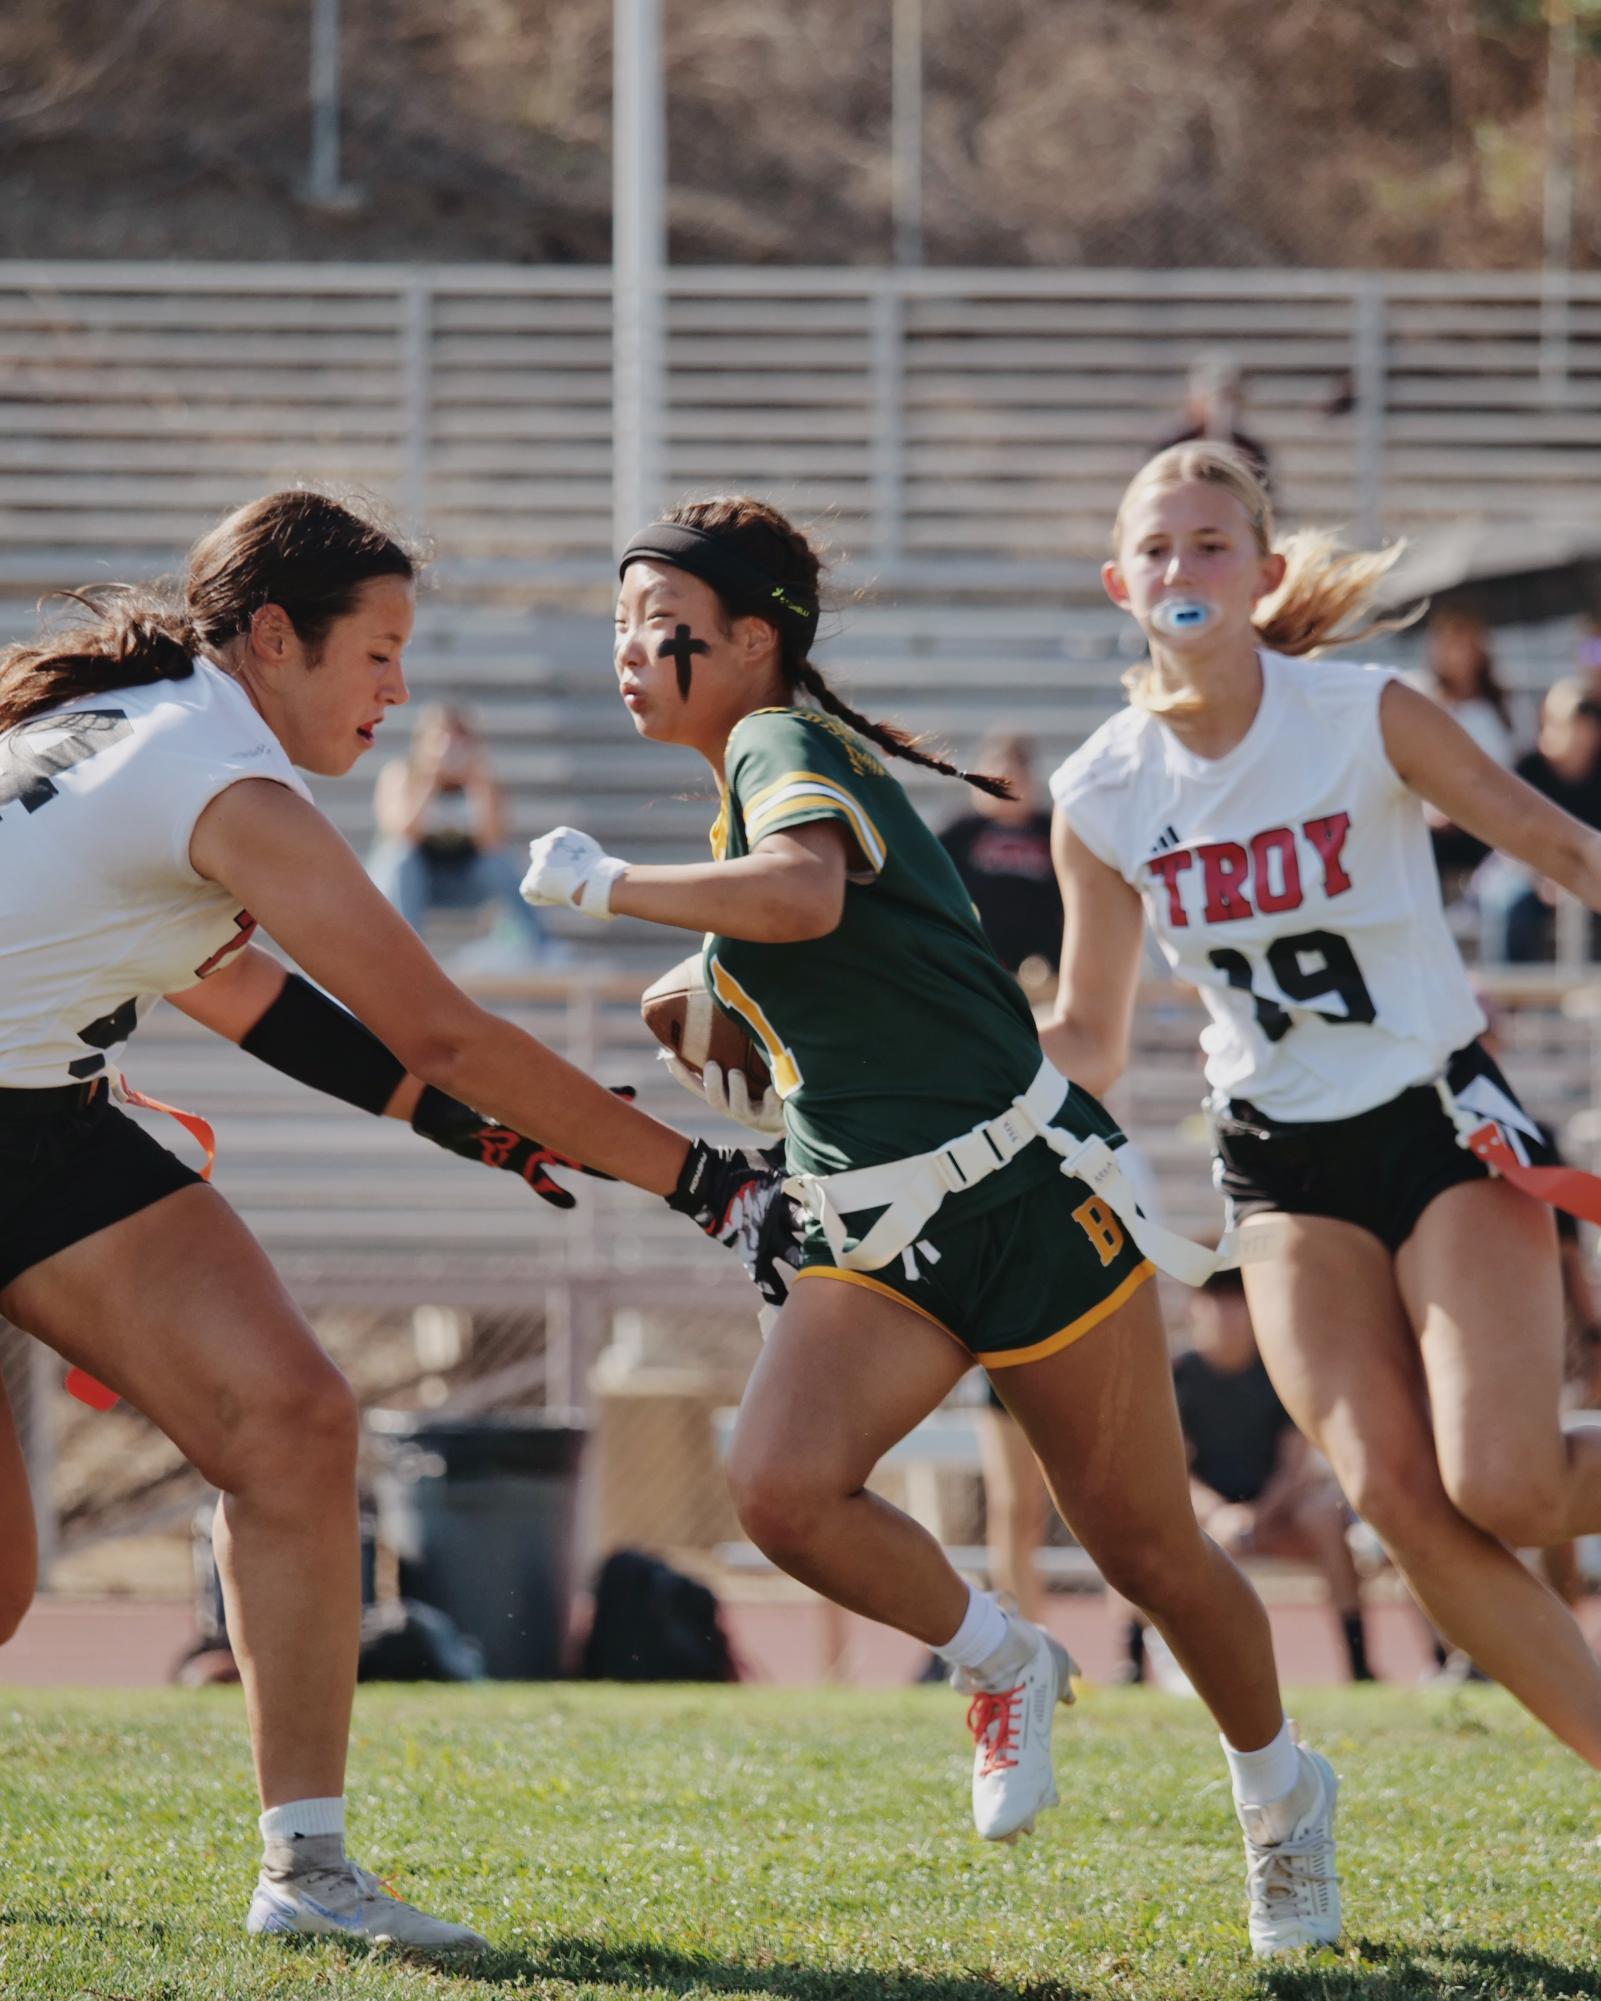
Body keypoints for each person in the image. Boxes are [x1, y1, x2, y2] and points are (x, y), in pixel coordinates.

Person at [521, 493, 1342, 1960]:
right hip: (880, 1228)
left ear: (754, 640)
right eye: (623, 631)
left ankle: (1282, 1798)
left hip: (1024, 1198)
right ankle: (1002, 1656)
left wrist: (614, 891)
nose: (629, 658)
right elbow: (800, 937)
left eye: (662, 632)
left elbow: (802, 890)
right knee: (778, 1488)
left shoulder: (778, 744)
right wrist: (708, 992)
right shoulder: (749, 764)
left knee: (1154, 1553)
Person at [0, 489, 794, 1960]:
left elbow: (236, 992)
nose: (398, 689)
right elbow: (441, 1027)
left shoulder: (169, 732)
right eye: (377, 652)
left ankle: (305, 1869)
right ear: (274, 637)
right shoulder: (213, 773)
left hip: (42, 1115)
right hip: (28, 1109)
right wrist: (709, 1184)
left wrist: (450, 1126)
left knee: (293, 1424)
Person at [1044, 437, 1601, 1774]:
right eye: (1159, 549)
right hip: (1280, 1168)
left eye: (1211, 544)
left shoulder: (1366, 713)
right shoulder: (1100, 791)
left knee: (1506, 1484)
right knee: (1399, 1505)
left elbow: (1562, 846)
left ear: (1264, 574)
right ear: (1120, 582)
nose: (1183, 567)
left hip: (1441, 1123)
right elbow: (1089, 1038)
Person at [368, 702, 559, 969]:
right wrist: (430, 782)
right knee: (401, 857)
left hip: (461, 878)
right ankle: (407, 957)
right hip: (412, 879)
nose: (449, 748)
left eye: (459, 740)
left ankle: (540, 948)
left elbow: (492, 841)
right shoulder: (402, 774)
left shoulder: (482, 780)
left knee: (501, 862)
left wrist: (477, 783)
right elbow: (402, 833)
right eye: (441, 739)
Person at [1473, 677, 1601, 962]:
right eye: (1572, 721)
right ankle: (1510, 1003)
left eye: (1587, 722)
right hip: (1524, 870)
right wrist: (1544, 877)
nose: (1580, 732)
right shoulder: (1527, 769)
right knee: (1509, 902)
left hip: (1586, 873)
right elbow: (1506, 838)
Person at [936, 731, 1063, 1000]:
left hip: (1043, 973)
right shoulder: (960, 834)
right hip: (973, 965)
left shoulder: (1052, 832)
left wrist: (1048, 956)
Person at [1407, 609, 1517, 888]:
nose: (1459, 654)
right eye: (1451, 643)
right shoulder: (1419, 700)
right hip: (1441, 825)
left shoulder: (1504, 705)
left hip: (1496, 821)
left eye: (1466, 642)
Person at [1153, 353, 1273, 495]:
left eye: (1228, 397)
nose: (1219, 407)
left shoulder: (1250, 450)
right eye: (1211, 398)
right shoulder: (1174, 445)